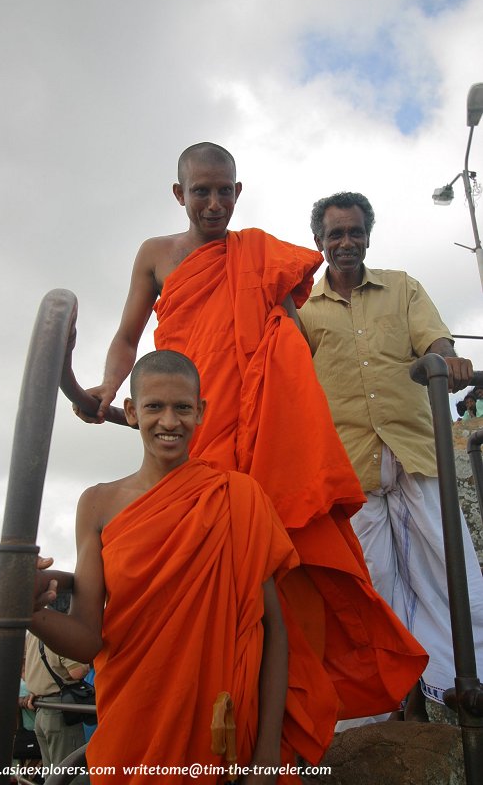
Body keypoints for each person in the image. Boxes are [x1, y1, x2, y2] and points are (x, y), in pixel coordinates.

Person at [74, 144, 427, 754]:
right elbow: (128, 336)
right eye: (201, 191)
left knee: (259, 572)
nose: (213, 203)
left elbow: (290, 343)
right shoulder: (156, 256)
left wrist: (282, 357)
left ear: (239, 193)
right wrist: (108, 389)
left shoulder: (258, 256)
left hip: (243, 432)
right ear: (179, 193)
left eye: (224, 192)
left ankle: (267, 736)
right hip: (188, 430)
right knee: (192, 570)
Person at [32, 350, 301, 783]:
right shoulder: (98, 503)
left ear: (201, 412)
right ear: (132, 412)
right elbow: (84, 638)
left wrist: (267, 757)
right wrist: (29, 613)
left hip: (217, 732)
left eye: (182, 408)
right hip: (131, 727)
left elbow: (273, 630)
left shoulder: (237, 497)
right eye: (155, 407)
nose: (170, 422)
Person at [298, 190, 483, 717]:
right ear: (320, 242)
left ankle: (464, 685)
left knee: (454, 573)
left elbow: (435, 342)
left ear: (367, 236)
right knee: (372, 587)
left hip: (416, 454)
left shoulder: (402, 287)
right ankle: (387, 708)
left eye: (355, 231)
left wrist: (448, 360)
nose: (346, 242)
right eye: (336, 234)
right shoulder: (303, 313)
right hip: (351, 471)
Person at [24, 594, 90, 781]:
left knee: (52, 775)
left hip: (41, 709)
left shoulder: (34, 631)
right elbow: (76, 671)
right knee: (70, 775)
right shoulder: (59, 629)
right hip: (61, 711)